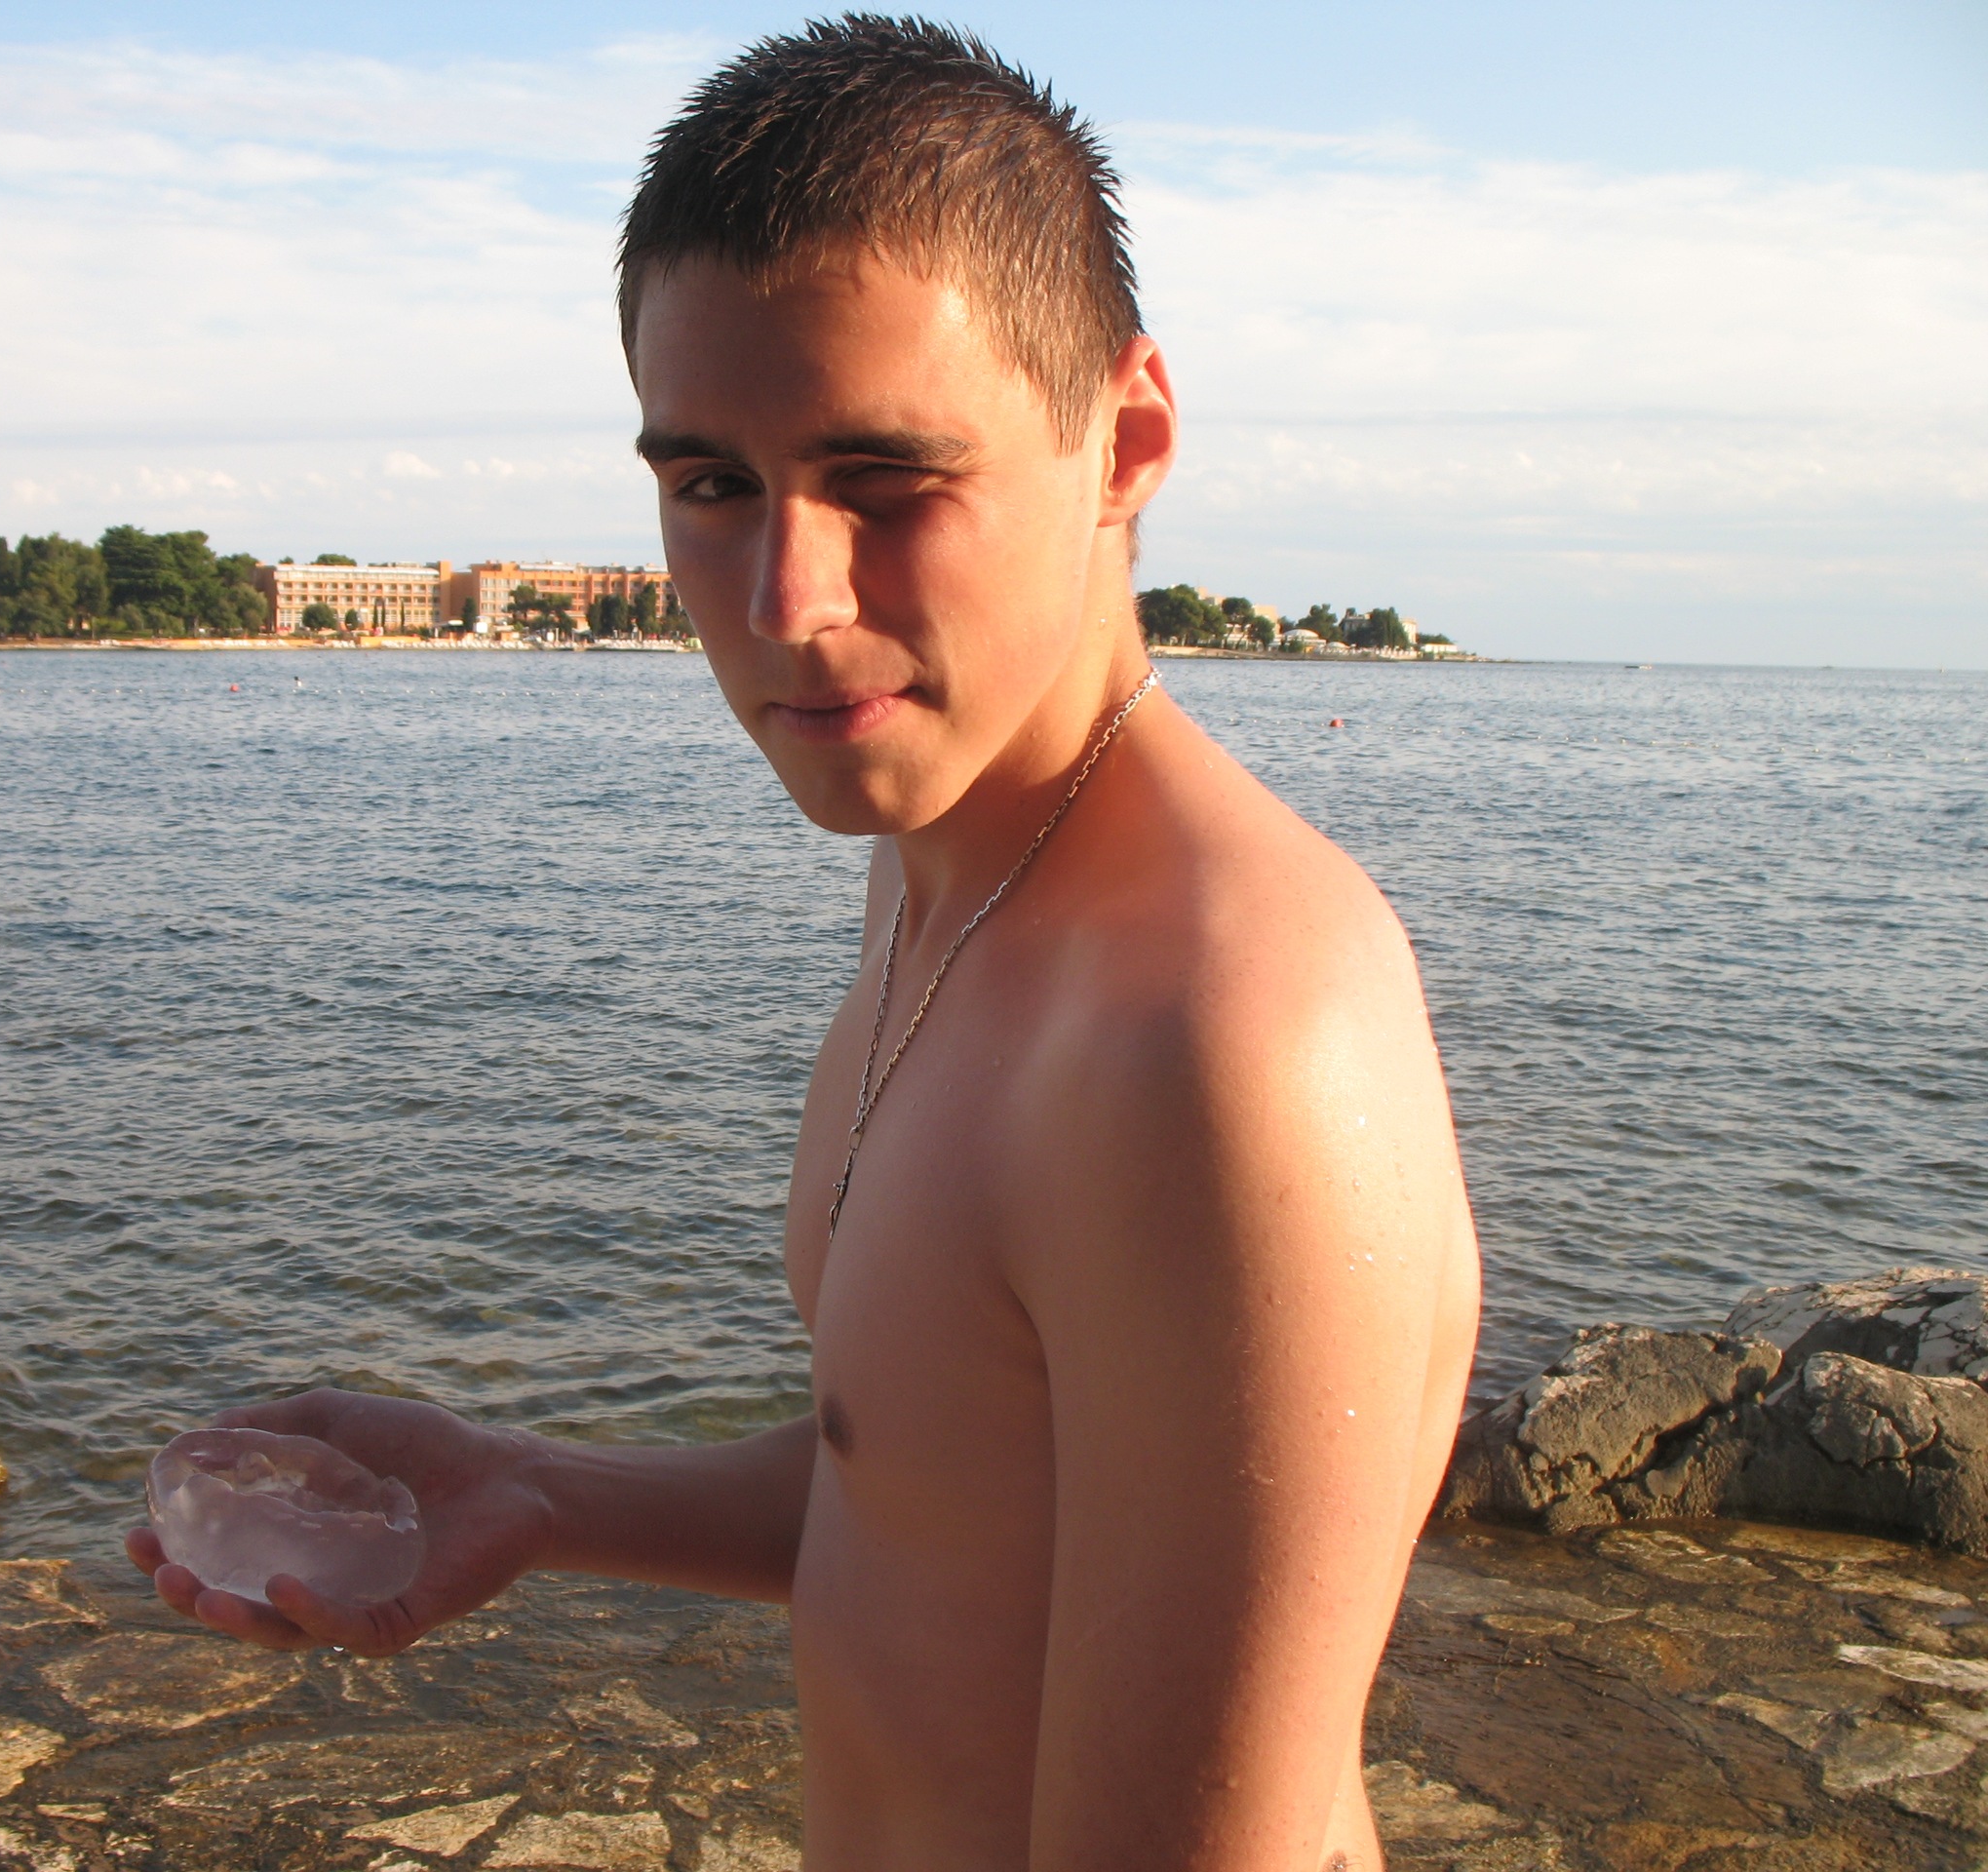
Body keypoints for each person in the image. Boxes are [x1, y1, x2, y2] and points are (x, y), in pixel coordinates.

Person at [129, 19, 1480, 1869]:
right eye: (713, 485)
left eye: (886, 479)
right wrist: (537, 1487)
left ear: (1128, 442)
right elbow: (939, 1492)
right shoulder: (959, 877)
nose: (785, 599)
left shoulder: (1221, 1033)